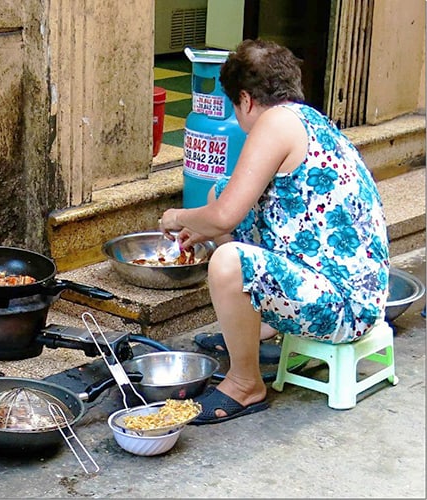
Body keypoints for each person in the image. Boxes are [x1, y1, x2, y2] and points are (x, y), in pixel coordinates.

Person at [159, 39, 390, 425]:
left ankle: (245, 383)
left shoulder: (274, 123)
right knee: (223, 190)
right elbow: (227, 205)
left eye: (236, 107)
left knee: (229, 261)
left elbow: (224, 218)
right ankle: (258, 329)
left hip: (344, 307)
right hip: (353, 292)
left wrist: (178, 218)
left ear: (246, 100)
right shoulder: (306, 119)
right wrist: (207, 221)